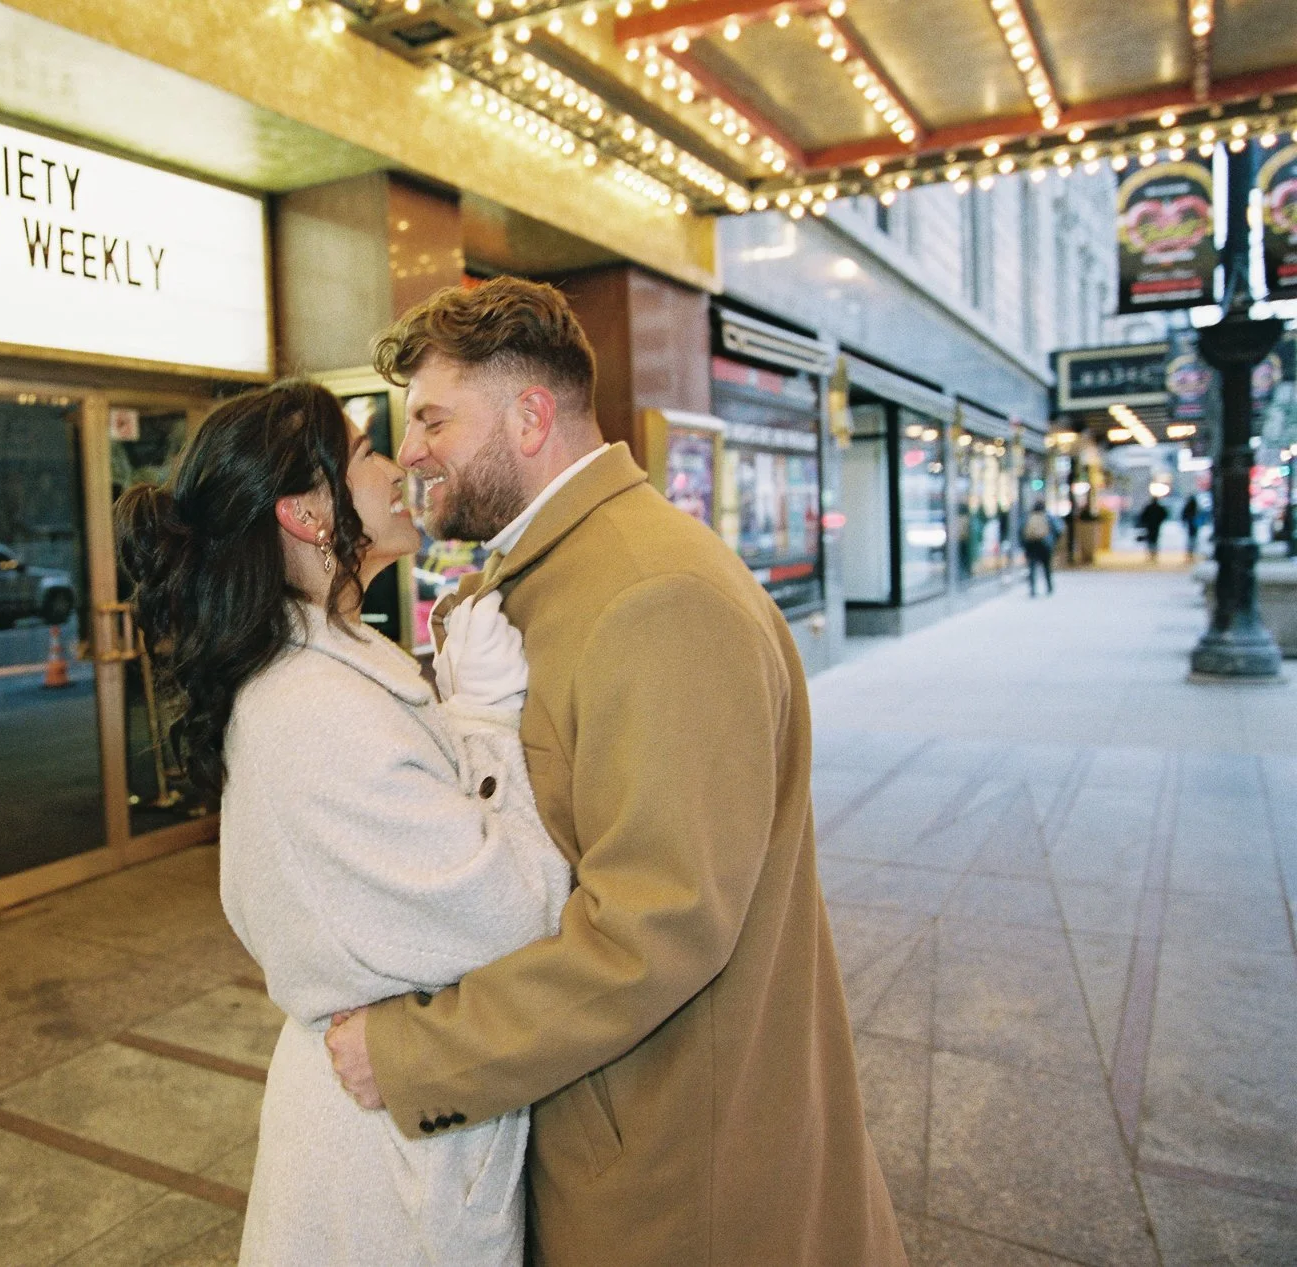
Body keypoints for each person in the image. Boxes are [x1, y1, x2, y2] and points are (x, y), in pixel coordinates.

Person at [323, 278, 905, 1266]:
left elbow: (657, 927)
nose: (411, 448)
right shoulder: (555, 573)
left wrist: (418, 1052)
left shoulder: (654, 598)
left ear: (532, 415)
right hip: (617, 1134)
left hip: (677, 1179)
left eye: (432, 419)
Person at [115, 380, 570, 1266]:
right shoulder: (312, 708)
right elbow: (516, 911)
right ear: (306, 512)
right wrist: (484, 721)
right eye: (366, 454)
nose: (400, 465)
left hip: (392, 1121)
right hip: (385, 1168)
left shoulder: (340, 660)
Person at [1022, 499, 1057, 596]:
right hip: (1044, 544)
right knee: (1046, 567)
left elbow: (1021, 530)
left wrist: (1024, 544)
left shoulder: (1028, 517)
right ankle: (1049, 587)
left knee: (1032, 567)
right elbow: (1058, 528)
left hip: (1031, 545)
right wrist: (1053, 541)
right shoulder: (1048, 517)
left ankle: (1033, 589)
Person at [1138, 496, 1169, 561]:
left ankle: (1151, 554)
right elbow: (1165, 514)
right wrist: (1160, 520)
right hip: (1156, 526)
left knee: (1150, 540)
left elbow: (1143, 516)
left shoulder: (1149, 507)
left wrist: (1145, 522)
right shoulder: (1159, 507)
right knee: (1155, 540)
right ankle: (1153, 554)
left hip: (1149, 526)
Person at [1182, 493, 1204, 560]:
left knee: (1191, 537)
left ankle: (1190, 551)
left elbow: (1184, 514)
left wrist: (1184, 520)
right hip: (1194, 524)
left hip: (1191, 524)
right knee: (1193, 537)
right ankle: (1192, 550)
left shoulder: (1188, 506)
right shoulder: (1196, 507)